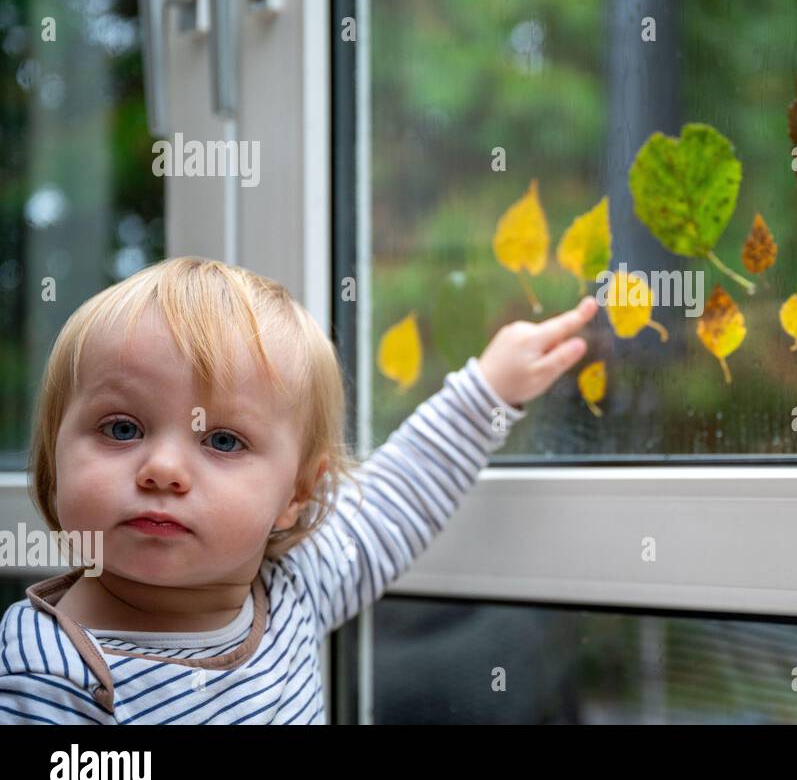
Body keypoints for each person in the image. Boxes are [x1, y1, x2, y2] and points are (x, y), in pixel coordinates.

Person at [0, 256, 596, 724]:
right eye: (122, 429)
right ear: (55, 452)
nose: (162, 468)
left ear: (296, 495)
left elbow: (397, 497)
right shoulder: (48, 670)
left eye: (224, 442)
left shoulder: (290, 592)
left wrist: (489, 392)